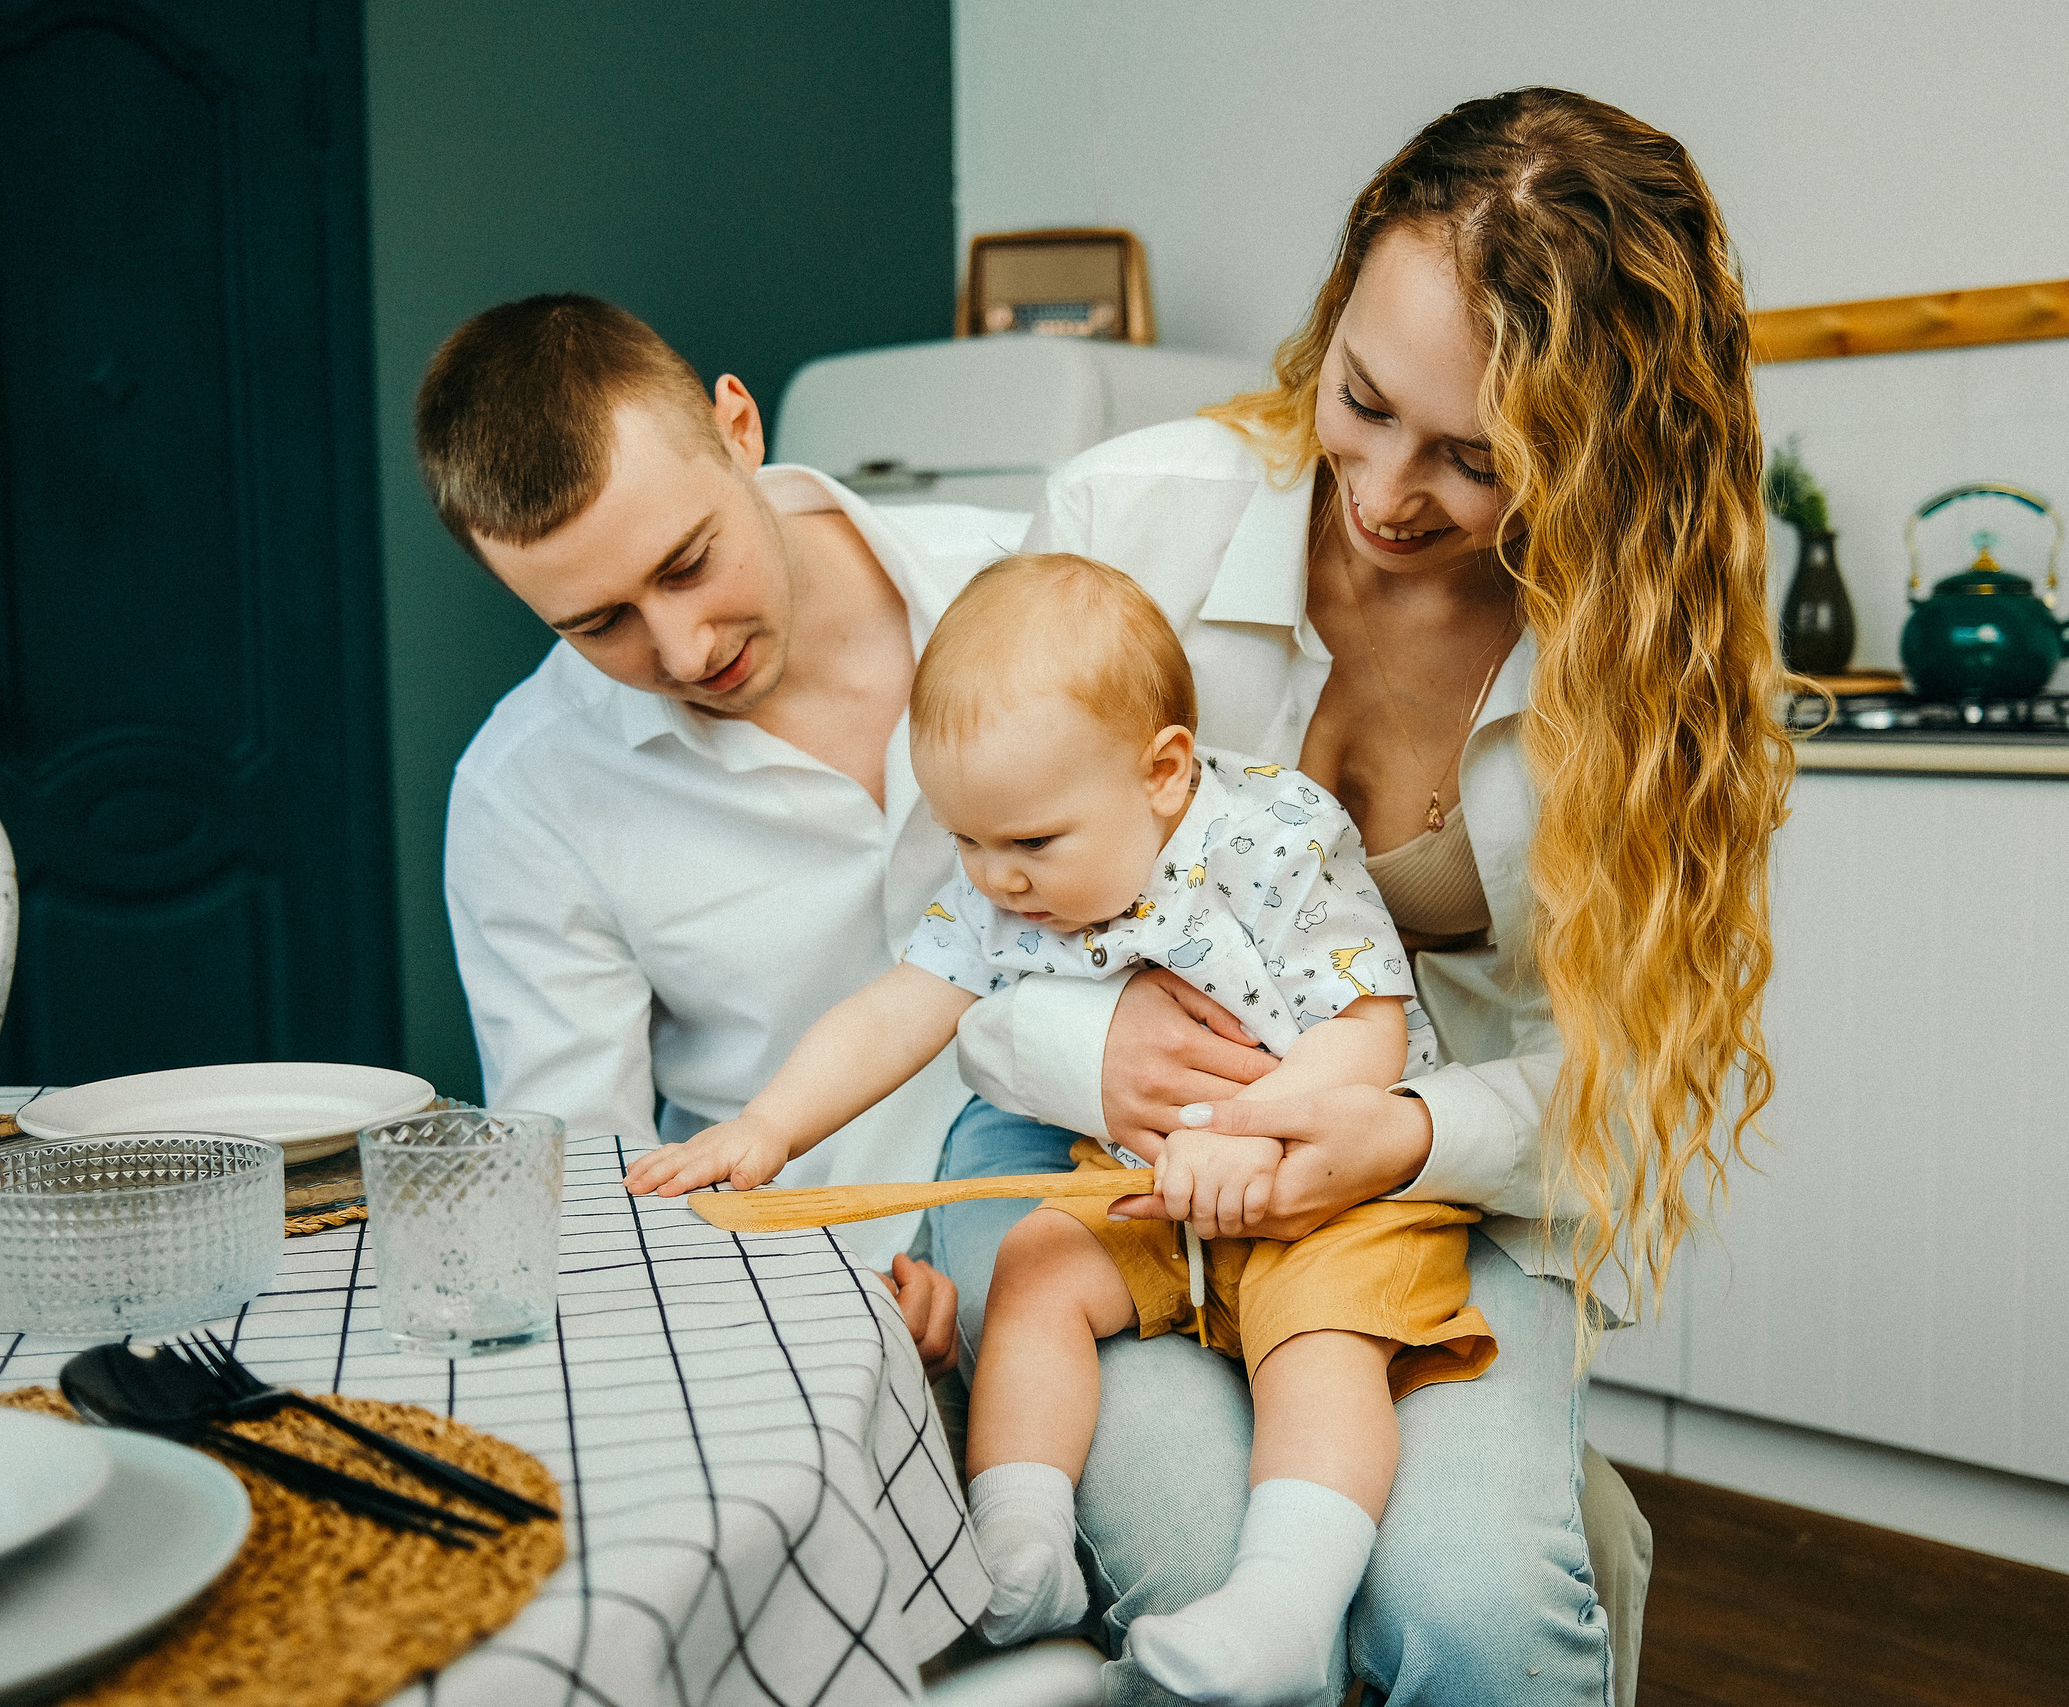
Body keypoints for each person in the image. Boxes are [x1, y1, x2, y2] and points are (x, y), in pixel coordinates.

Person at [933, 88, 1786, 1707]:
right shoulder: (1134, 517)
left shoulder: (1649, 667)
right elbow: (947, 943)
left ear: (1605, 456)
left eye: (1479, 460)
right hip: (1084, 1161)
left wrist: (1397, 1132)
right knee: (1207, 1587)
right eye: (1364, 400)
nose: (1389, 494)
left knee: (1480, 1619)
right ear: (1330, 324)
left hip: (1421, 1188)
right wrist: (1091, 1050)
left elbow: (1625, 1073)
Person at [628, 553, 1490, 1705]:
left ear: (1164, 774)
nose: (997, 881)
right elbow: (902, 1007)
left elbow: (1367, 1028)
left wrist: (1251, 1134)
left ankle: (1285, 1606)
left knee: (1319, 1351)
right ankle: (1017, 1546)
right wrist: (770, 1126)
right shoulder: (1001, 874)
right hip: (1147, 1187)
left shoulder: (1275, 838)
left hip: (1333, 1190)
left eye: (1030, 845)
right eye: (966, 842)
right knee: (1033, 1268)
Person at [415, 293, 1020, 1364]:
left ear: (738, 428)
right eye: (600, 625)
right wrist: (796, 1308)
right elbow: (592, 1187)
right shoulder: (527, 791)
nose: (686, 653)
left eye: (688, 562)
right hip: (785, 1307)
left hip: (1109, 1231)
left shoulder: (1029, 584)